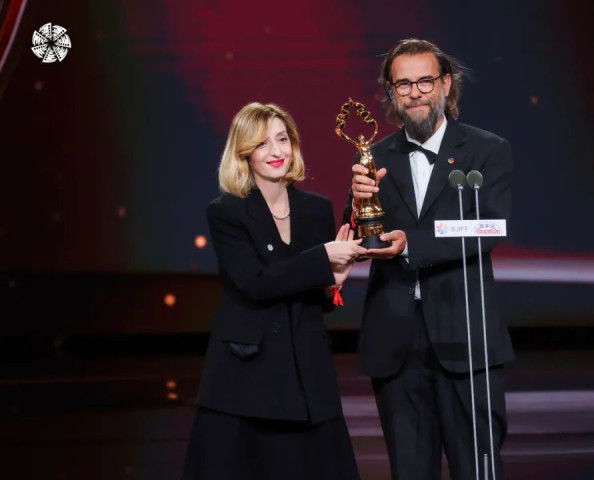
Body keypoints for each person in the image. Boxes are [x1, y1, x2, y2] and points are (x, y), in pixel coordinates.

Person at [344, 38, 514, 480]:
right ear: (391, 92)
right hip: (396, 341)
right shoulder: (375, 156)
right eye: (403, 84)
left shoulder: (487, 149)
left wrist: (412, 245)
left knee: (476, 468)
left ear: (445, 84)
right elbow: (361, 234)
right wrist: (358, 208)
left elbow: (489, 228)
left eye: (425, 81)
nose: (415, 92)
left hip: (465, 334)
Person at [182, 102, 365, 480]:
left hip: (307, 373)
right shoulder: (227, 212)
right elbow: (256, 283)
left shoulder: (316, 209)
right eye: (262, 143)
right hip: (247, 375)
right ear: (244, 153)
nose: (276, 151)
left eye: (282, 139)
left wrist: (331, 285)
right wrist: (322, 258)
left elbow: (312, 294)